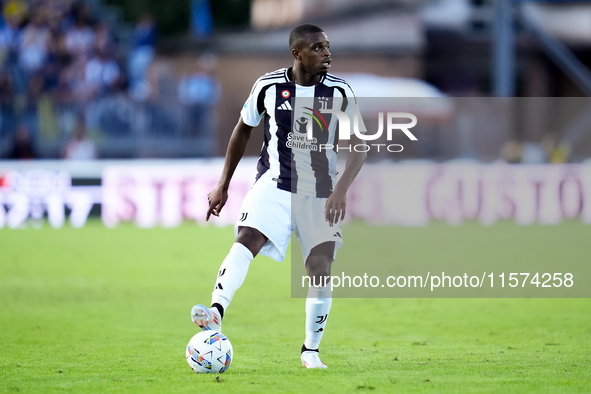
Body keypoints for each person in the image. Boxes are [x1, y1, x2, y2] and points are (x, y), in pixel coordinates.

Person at [191, 24, 367, 369]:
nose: (327, 53)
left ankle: (310, 351)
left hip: (319, 191)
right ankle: (216, 311)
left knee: (320, 267)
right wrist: (223, 184)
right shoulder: (268, 86)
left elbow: (360, 145)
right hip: (274, 183)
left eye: (328, 47)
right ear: (297, 54)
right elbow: (243, 129)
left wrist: (341, 190)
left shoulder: (341, 92)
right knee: (246, 239)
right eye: (318, 48)